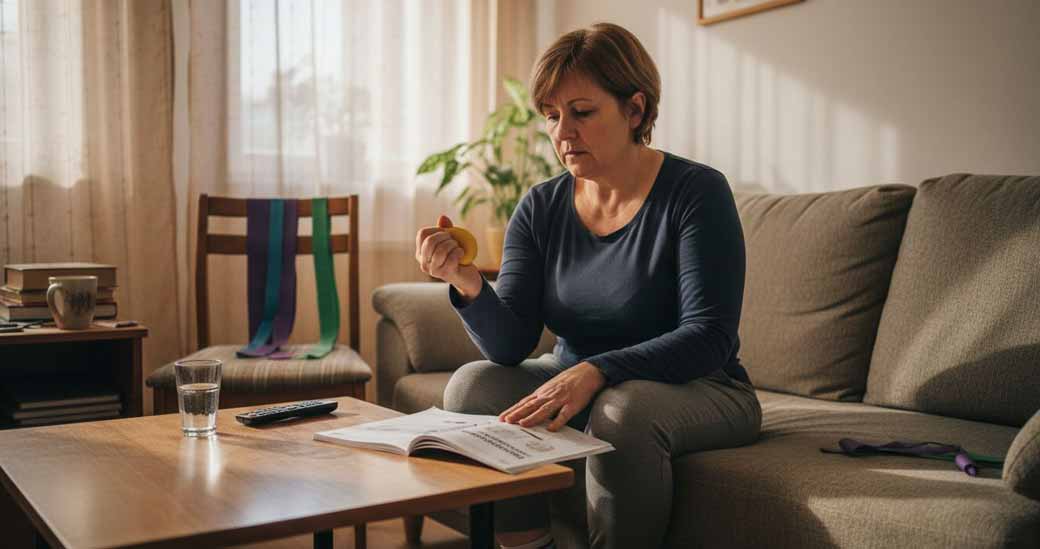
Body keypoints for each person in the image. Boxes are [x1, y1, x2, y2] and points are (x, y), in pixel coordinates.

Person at [414, 22, 761, 549]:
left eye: (582, 112)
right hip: (578, 377)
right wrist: (465, 281)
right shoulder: (540, 207)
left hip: (702, 386)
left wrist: (598, 369)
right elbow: (511, 345)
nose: (562, 133)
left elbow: (709, 336)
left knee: (620, 411)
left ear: (636, 110)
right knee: (473, 385)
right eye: (552, 116)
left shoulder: (696, 193)